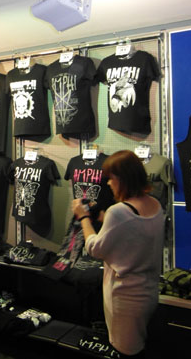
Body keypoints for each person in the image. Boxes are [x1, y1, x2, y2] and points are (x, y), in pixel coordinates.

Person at [72, 150, 164, 359]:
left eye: (111, 178)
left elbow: (95, 248)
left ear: (123, 179)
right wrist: (106, 220)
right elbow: (136, 234)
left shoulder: (119, 211)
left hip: (125, 297)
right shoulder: (155, 205)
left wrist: (83, 217)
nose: (108, 183)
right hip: (148, 292)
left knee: (125, 351)